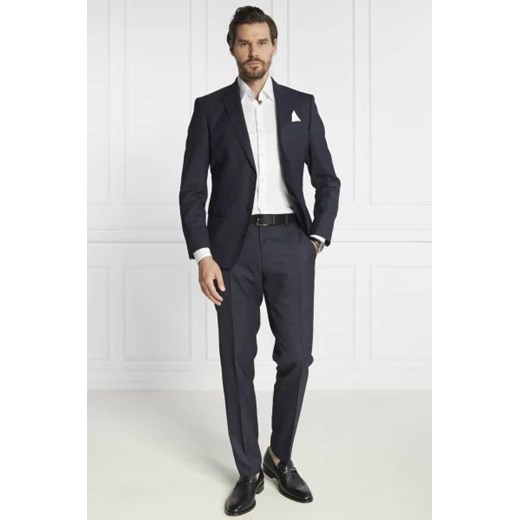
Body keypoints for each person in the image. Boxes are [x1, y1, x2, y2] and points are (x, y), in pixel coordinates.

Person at [179, 5, 341, 516]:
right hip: (232, 252)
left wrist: (315, 239)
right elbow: (191, 190)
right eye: (245, 43)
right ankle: (248, 469)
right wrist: (204, 255)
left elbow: (327, 180)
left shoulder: (301, 106)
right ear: (232, 47)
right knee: (237, 361)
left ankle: (279, 457)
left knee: (297, 356)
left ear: (275, 46)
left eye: (262, 42)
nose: (254, 52)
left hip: (292, 243)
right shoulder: (210, 109)